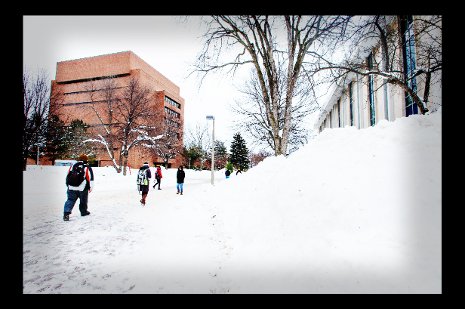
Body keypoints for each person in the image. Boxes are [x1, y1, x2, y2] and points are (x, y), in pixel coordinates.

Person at [63, 154, 94, 221]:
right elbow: (90, 178)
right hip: (82, 188)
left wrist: (68, 185)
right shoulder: (87, 167)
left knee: (70, 200)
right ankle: (83, 212)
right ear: (86, 159)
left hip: (71, 187)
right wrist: (90, 187)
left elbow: (68, 176)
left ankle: (66, 213)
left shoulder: (72, 166)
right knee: (83, 201)